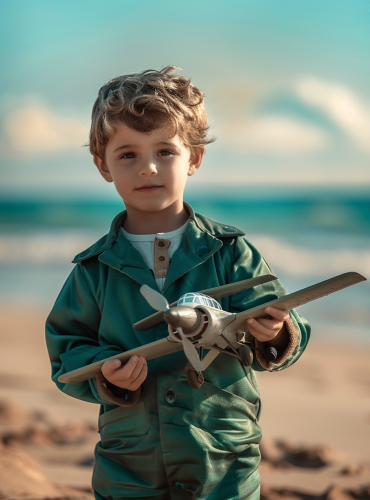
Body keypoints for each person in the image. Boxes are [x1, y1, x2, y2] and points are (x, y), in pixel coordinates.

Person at [46, 66, 310, 500]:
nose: (148, 167)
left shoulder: (230, 251)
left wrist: (277, 331)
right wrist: (108, 377)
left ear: (195, 157)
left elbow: (281, 317)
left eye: (165, 151)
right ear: (102, 165)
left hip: (222, 456)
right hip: (130, 462)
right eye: (128, 154)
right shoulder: (93, 269)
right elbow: (66, 350)